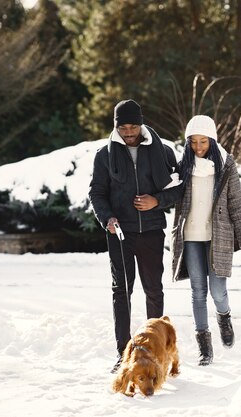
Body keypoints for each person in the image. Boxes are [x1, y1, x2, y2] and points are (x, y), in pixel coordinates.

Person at [88, 99, 180, 373]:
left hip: (151, 229)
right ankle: (124, 352)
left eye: (133, 126)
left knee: (154, 290)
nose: (129, 133)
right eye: (124, 127)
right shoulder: (105, 155)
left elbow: (178, 189)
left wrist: (157, 201)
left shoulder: (162, 151)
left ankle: (155, 349)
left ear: (141, 124)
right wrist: (107, 218)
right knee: (121, 292)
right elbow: (96, 193)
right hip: (120, 233)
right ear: (116, 126)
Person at [171, 115, 241, 366]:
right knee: (197, 292)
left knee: (218, 291)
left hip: (219, 237)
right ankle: (205, 348)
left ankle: (224, 316)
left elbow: (237, 205)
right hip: (191, 237)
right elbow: (169, 195)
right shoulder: (182, 167)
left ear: (212, 141)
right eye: (193, 142)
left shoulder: (226, 166)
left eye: (203, 141)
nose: (198, 147)